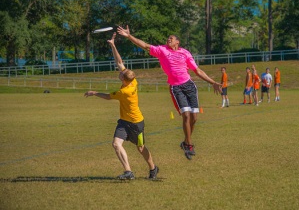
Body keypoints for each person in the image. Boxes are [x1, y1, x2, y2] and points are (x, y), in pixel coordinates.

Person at [117, 26, 221, 160]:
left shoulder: (185, 53)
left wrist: (213, 82)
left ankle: (185, 142)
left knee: (194, 118)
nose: (168, 39)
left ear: (177, 42)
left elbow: (198, 71)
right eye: (168, 38)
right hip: (176, 88)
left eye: (171, 38)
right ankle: (189, 145)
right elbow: (145, 45)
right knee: (186, 116)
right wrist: (129, 36)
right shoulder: (162, 50)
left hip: (189, 86)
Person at [84, 32, 159, 180]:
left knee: (140, 147)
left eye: (121, 74)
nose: (119, 72)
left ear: (124, 80)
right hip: (124, 121)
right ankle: (128, 172)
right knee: (116, 144)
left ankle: (153, 168)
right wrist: (113, 45)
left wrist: (94, 92)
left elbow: (107, 97)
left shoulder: (124, 91)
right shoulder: (132, 80)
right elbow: (119, 63)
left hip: (136, 123)